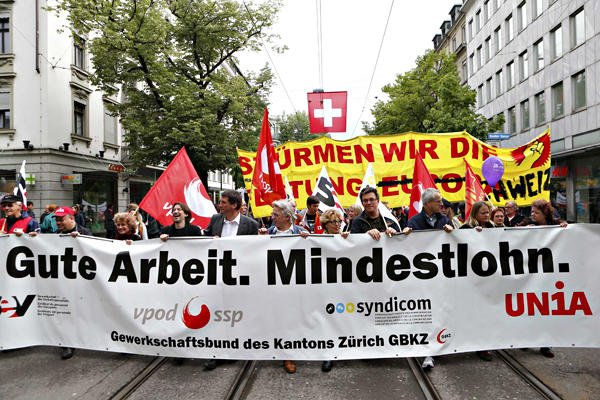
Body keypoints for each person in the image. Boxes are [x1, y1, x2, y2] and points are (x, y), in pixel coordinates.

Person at [202, 190, 258, 371]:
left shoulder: (251, 224)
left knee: (237, 314)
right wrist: (210, 240)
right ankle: (217, 352)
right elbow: (204, 240)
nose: (219, 205)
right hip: (217, 275)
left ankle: (235, 347)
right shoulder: (215, 220)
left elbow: (255, 250)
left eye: (223, 202)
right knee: (218, 314)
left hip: (240, 278)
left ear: (234, 205)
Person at [405, 189, 453, 371]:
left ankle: (441, 342)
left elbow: (455, 241)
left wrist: (451, 232)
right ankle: (427, 350)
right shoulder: (414, 222)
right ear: (427, 204)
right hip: (422, 276)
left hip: (441, 275)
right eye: (438, 201)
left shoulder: (444, 220)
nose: (441, 204)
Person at [259, 200, 308, 373]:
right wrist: (259, 241)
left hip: (294, 284)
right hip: (273, 284)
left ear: (287, 217)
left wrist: (308, 240)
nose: (272, 217)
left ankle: (289, 355)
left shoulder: (301, 232)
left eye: (276, 214)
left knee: (291, 319)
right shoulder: (267, 233)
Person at [53, 205, 91, 360]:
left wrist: (81, 240)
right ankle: (67, 343)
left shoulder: (85, 232)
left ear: (71, 218)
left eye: (61, 219)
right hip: (63, 280)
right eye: (56, 220)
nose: (58, 223)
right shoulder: (55, 235)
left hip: (81, 280)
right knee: (64, 311)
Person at [459, 201, 494, 361]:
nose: (486, 215)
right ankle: (476, 343)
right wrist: (472, 235)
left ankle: (485, 344)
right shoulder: (466, 229)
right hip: (472, 278)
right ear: (475, 214)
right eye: (483, 213)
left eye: (488, 212)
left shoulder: (492, 228)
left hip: (490, 278)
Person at [318, 209, 349, 372]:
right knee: (328, 318)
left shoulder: (346, 237)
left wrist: (349, 240)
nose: (337, 225)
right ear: (325, 224)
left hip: (344, 286)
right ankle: (329, 354)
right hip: (325, 286)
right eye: (333, 222)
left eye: (339, 221)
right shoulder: (317, 239)